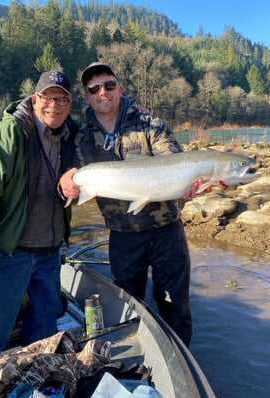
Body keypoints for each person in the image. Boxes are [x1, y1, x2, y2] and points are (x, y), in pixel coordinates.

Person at [61, 62, 200, 347]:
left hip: (166, 232)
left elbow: (172, 158)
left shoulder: (151, 124)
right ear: (86, 96)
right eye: (94, 88)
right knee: (128, 305)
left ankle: (181, 356)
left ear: (119, 90)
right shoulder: (82, 137)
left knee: (176, 306)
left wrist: (189, 182)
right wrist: (67, 178)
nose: (103, 92)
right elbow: (71, 170)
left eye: (109, 85)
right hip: (122, 236)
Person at [0, 70, 79, 368]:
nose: (54, 106)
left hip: (49, 254)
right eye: (48, 98)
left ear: (69, 104)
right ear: (35, 99)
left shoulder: (71, 136)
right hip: (7, 252)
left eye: (62, 99)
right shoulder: (5, 136)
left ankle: (37, 381)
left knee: (44, 337)